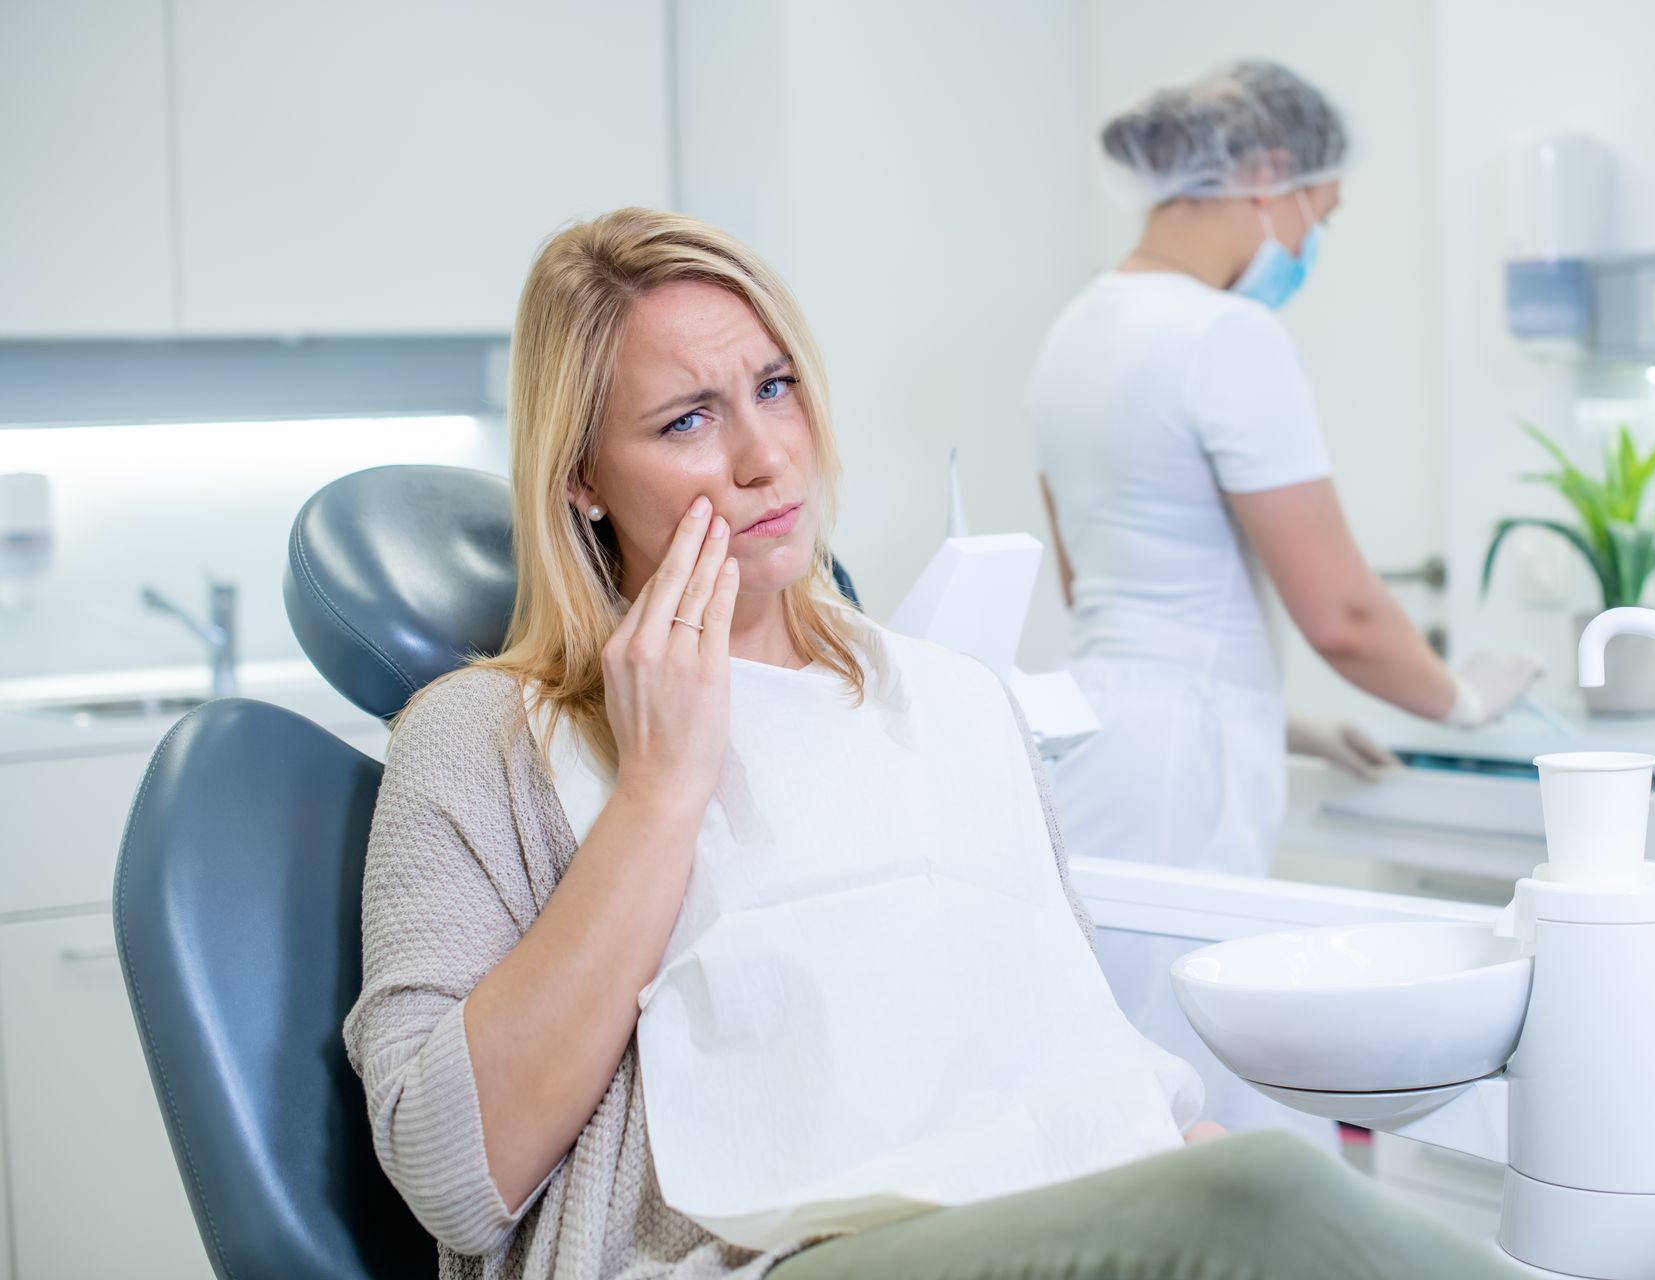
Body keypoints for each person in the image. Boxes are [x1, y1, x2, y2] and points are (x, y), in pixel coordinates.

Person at [341, 207, 1513, 1280]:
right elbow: (455, 1172)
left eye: (777, 387)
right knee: (1268, 1190)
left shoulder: (953, 700)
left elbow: (1058, 1029)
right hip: (765, 1254)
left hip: (1036, 1220)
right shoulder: (483, 739)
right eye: (689, 418)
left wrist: (1173, 1142)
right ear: (584, 479)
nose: (764, 456)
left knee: (1269, 1191)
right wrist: (658, 789)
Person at [1027, 61, 1541, 1133]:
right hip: (1182, 773)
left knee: (1109, 1071)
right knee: (1201, 1091)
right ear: (1267, 174)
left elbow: (1099, 582)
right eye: (1322, 207)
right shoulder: (1227, 336)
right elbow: (1344, 614)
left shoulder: (1076, 329)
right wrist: (1461, 700)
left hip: (1097, 745)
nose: (1313, 238)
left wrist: (1279, 716)